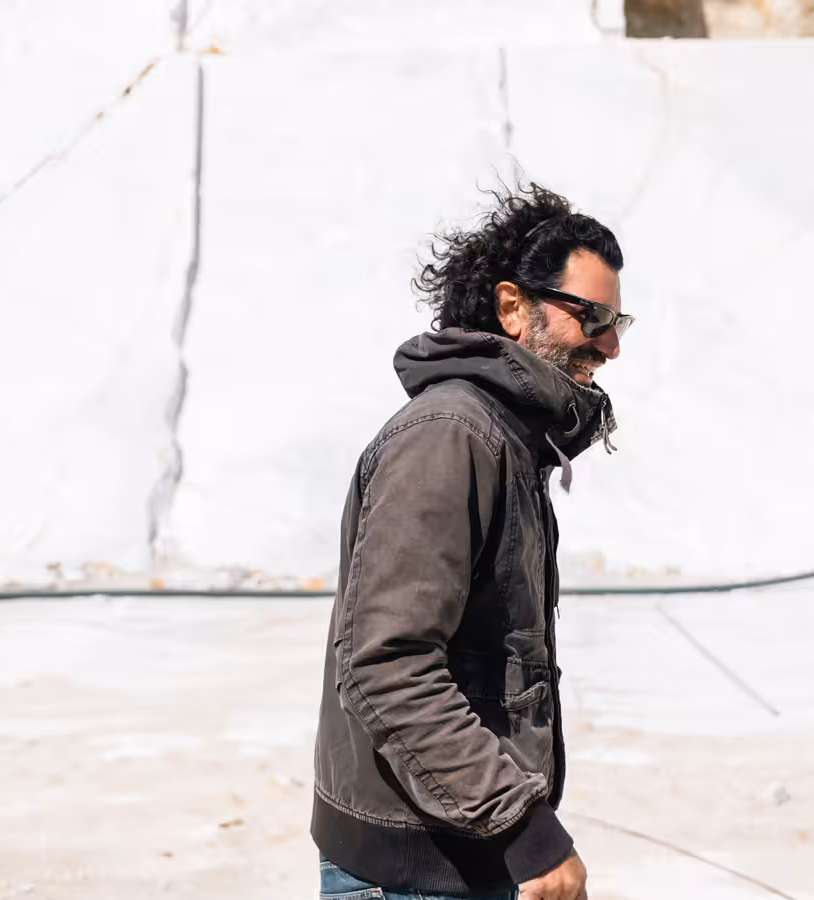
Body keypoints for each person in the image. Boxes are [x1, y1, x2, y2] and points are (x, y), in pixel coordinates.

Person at [310, 184, 632, 900]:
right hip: (417, 868)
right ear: (514, 307)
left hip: (460, 848)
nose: (610, 345)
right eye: (594, 317)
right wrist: (523, 829)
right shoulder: (451, 437)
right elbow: (388, 662)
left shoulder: (506, 437)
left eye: (620, 321)